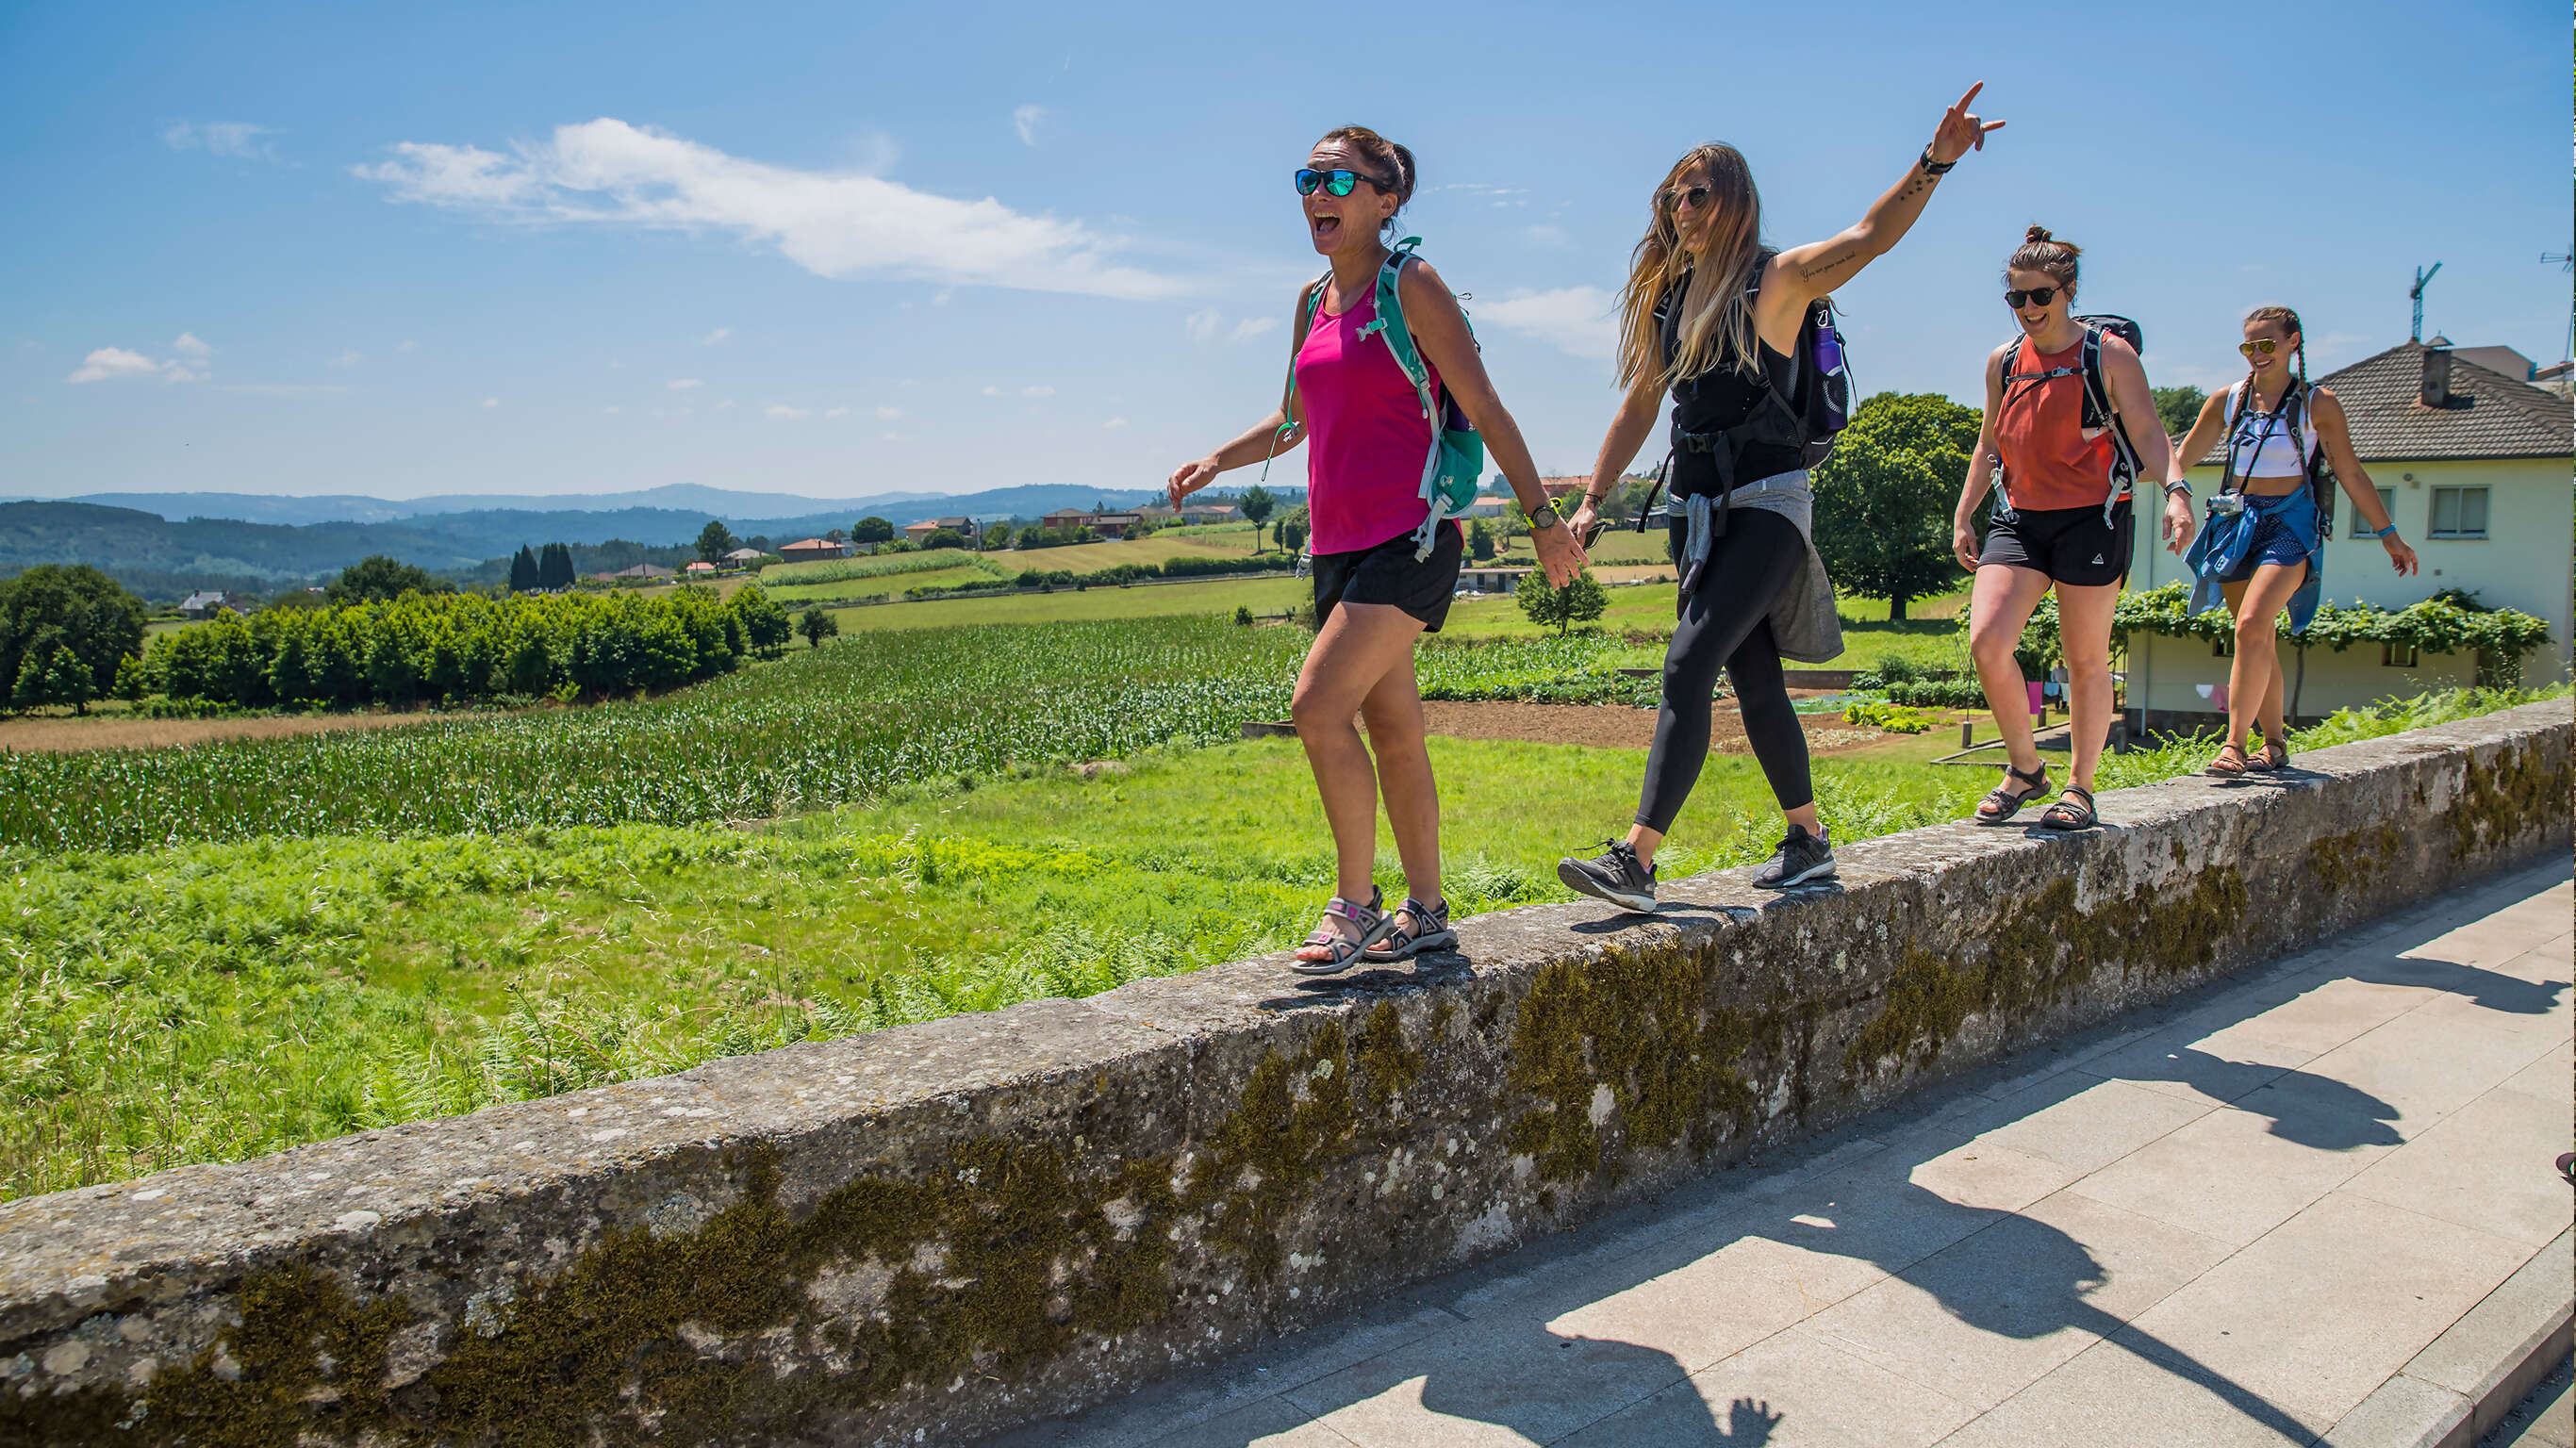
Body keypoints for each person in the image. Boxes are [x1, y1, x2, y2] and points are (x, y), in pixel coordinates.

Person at [1557, 86, 2003, 911]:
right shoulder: (1669, 301)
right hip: (1699, 520)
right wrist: (1593, 498)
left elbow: (1869, 239)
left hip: (1766, 507)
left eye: (1696, 192)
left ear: (1733, 200)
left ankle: (1638, 860)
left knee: (1687, 665)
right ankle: (1810, 841)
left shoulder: (1777, 281)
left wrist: (1933, 161)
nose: (1680, 207)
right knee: (1755, 682)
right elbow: (1641, 404)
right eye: (1671, 195)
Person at [1169, 125, 1586, 971]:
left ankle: (1354, 906)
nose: (1316, 194)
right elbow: (1293, 421)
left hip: (1413, 536)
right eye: (1306, 179)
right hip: (1338, 548)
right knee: (1394, 728)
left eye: (1337, 180)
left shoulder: (1412, 284)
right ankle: (1427, 909)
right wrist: (1220, 457)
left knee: (1316, 708)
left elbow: (1485, 402)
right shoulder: (1310, 300)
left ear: (1386, 199)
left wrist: (1543, 519)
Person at [1950, 227, 2193, 830]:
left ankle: (2080, 787)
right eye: (2017, 299)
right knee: (1988, 641)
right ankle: (2027, 770)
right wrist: (1964, 514)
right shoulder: (2003, 363)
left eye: (2040, 297)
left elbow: (2148, 433)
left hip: (2093, 517)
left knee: (2084, 660)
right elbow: (1989, 443)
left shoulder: (2107, 355)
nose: (2029, 310)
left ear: (2069, 291)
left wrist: (2178, 491)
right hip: (2020, 518)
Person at [2170, 305, 2418, 774]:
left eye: (2267, 345)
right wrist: (2164, 495)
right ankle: (2276, 743)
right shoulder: (2229, 399)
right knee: (2257, 635)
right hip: (2237, 526)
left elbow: (2350, 471)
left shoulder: (2316, 403)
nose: (2257, 355)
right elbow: (2180, 459)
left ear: (2293, 343)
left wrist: (2389, 535)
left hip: (2290, 526)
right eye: (2249, 346)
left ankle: (2234, 746)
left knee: (2250, 625)